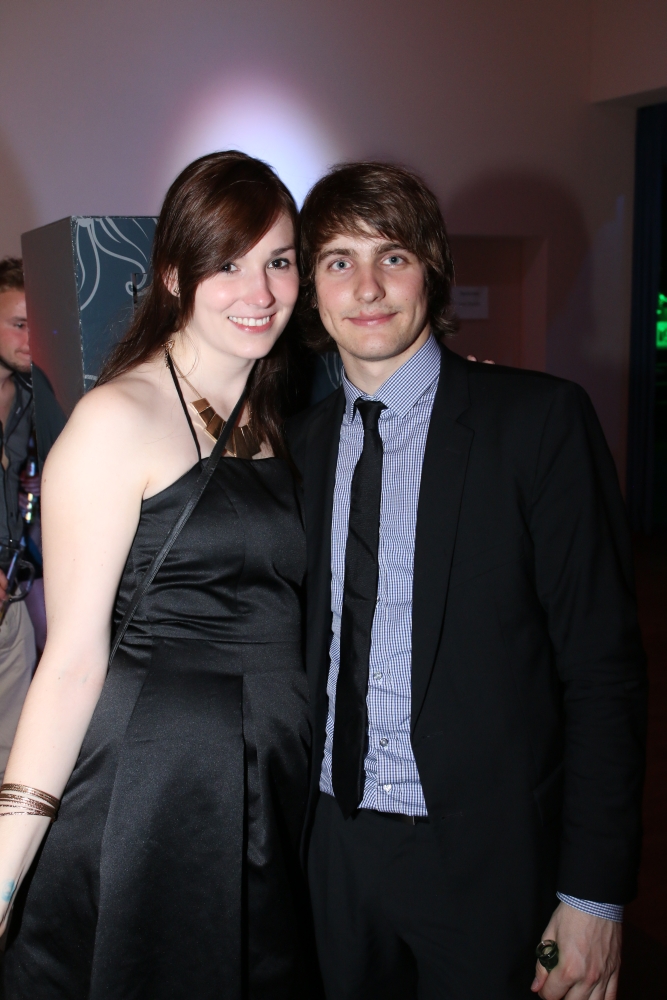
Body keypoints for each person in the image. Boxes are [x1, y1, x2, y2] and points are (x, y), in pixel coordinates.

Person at [287, 162, 647, 1000]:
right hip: (329, 849)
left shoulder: (538, 423)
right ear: (311, 289)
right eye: (338, 261)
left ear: (433, 269)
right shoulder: (295, 448)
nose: (366, 287)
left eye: (392, 256)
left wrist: (592, 894)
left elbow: (602, 672)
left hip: (486, 861)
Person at [0, 151, 317, 999]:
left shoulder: (272, 411)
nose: (259, 291)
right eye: (227, 265)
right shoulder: (118, 417)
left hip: (265, 779)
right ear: (175, 275)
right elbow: (71, 663)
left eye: (278, 262)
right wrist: (2, 873)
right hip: (161, 783)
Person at [0, 259, 63, 779]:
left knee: (13, 750)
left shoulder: (30, 398)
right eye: (19, 324)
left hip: (12, 598)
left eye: (36, 325)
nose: (31, 339)